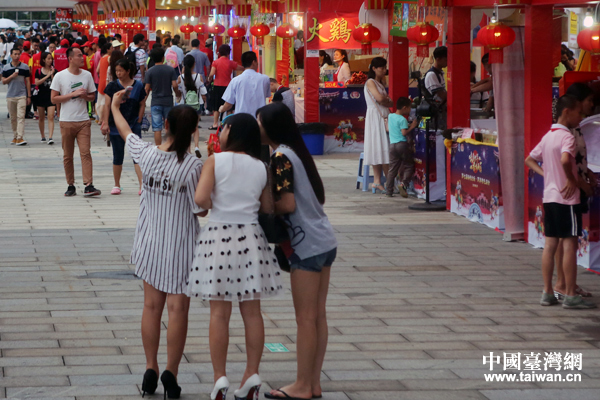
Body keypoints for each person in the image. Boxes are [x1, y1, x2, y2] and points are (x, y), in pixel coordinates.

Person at [110, 91, 205, 400]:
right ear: (193, 131)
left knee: (151, 307)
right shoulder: (193, 167)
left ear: (165, 124)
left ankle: (150, 367)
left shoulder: (147, 154)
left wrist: (113, 105)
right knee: (178, 310)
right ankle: (171, 373)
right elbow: (200, 208)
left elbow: (125, 132)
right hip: (181, 246)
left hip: (150, 242)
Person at [187, 112, 283, 400]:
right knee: (252, 313)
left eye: (223, 127)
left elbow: (201, 199)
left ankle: (219, 378)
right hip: (251, 239)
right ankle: (251, 373)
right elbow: (267, 206)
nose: (220, 131)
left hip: (219, 237)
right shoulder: (260, 166)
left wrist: (220, 198)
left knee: (219, 313)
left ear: (231, 131)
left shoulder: (216, 160)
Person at [257, 103, 337, 400]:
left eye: (259, 122)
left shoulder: (280, 157)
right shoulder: (296, 152)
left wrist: (264, 206)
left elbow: (287, 204)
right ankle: (313, 383)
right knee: (317, 315)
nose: (257, 127)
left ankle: (302, 385)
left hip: (306, 246)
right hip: (324, 240)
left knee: (305, 318)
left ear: (271, 127)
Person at [525, 95, 596, 309]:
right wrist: (575, 181)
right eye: (578, 113)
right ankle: (571, 295)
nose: (580, 118)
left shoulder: (548, 136)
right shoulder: (567, 137)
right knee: (569, 245)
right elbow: (566, 159)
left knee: (550, 244)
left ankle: (548, 292)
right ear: (567, 112)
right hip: (568, 199)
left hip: (550, 197)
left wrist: (545, 173)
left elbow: (529, 159)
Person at [553, 83, 597, 301]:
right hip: (570, 190)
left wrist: (587, 171)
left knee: (565, 238)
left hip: (574, 186)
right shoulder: (567, 129)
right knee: (566, 239)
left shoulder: (576, 127)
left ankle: (567, 283)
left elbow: (576, 160)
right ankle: (563, 284)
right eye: (588, 101)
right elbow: (567, 163)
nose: (591, 105)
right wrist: (581, 183)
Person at [50, 47, 100, 197]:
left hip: (83, 120)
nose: (82, 57)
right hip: (66, 121)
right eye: (79, 56)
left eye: (82, 55)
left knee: (85, 153)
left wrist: (84, 97)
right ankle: (70, 184)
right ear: (70, 58)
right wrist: (73, 94)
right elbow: (53, 98)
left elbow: (92, 96)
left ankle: (88, 184)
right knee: (68, 155)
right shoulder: (60, 76)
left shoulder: (87, 75)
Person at [101, 58, 146, 195]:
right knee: (117, 154)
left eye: (121, 71)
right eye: (116, 71)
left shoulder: (138, 86)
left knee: (137, 155)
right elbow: (107, 105)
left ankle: (141, 185)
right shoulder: (112, 86)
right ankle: (117, 184)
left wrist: (139, 118)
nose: (118, 73)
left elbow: (142, 102)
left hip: (133, 124)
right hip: (116, 125)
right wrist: (105, 122)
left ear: (128, 71)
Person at [363, 57, 392, 193]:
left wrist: (386, 101)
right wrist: (386, 100)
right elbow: (380, 99)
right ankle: (383, 181)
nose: (384, 70)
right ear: (374, 68)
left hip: (382, 115)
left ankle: (378, 181)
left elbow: (389, 102)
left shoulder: (381, 82)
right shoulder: (370, 82)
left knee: (382, 145)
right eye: (381, 67)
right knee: (379, 145)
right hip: (376, 116)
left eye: (385, 67)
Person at [145, 47, 180, 145]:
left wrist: (143, 101)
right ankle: (169, 146)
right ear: (163, 58)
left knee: (157, 128)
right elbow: (174, 85)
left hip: (155, 102)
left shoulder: (150, 71)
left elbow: (147, 89)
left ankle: (158, 148)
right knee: (169, 126)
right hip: (168, 101)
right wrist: (178, 94)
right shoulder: (170, 70)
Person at [219, 51, 270, 118]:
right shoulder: (265, 79)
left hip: (241, 119)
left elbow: (228, 104)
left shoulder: (235, 80)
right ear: (253, 62)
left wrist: (222, 108)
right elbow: (265, 95)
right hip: (259, 119)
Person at [385, 97, 417, 198]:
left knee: (392, 169)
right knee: (409, 165)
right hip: (402, 145)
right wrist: (412, 126)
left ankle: (389, 191)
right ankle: (404, 184)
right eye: (409, 108)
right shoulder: (403, 119)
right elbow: (404, 133)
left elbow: (388, 129)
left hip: (392, 145)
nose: (410, 110)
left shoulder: (390, 116)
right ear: (404, 108)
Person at [177, 54, 207, 157]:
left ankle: (189, 150)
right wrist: (205, 102)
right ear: (194, 64)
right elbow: (203, 93)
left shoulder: (180, 78)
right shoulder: (199, 77)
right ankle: (197, 146)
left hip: (185, 105)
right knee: (195, 127)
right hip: (197, 105)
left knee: (186, 128)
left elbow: (179, 93)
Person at [207, 44, 242, 130]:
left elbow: (212, 74)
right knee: (229, 106)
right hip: (228, 87)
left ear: (219, 53)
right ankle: (229, 124)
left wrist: (209, 78)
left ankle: (215, 124)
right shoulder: (231, 63)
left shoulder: (216, 62)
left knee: (216, 107)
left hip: (217, 86)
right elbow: (241, 68)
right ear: (228, 53)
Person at [2, 47, 31, 145]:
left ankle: (20, 137)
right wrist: (12, 76)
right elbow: (4, 81)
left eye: (18, 54)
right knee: (13, 118)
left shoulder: (25, 67)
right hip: (10, 95)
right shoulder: (6, 67)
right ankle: (15, 136)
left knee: (21, 116)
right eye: (15, 54)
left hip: (22, 95)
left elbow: (27, 81)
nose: (17, 56)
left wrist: (29, 96)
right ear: (11, 55)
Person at [33, 51, 56, 144]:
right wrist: (47, 76)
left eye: (51, 59)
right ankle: (43, 136)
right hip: (40, 96)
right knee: (41, 117)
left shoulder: (55, 71)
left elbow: (56, 83)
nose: (50, 60)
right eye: (48, 58)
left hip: (51, 97)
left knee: (50, 116)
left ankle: (50, 137)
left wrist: (52, 74)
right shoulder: (38, 71)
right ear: (43, 60)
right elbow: (37, 83)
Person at [424, 46, 448, 128]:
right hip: (436, 114)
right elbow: (441, 95)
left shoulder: (439, 73)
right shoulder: (432, 75)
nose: (447, 62)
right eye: (446, 60)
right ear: (438, 59)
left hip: (441, 112)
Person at [96, 42, 112, 123]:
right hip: (106, 81)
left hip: (101, 81)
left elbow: (97, 70)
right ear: (108, 50)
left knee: (100, 100)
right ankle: (101, 119)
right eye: (112, 48)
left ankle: (99, 118)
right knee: (103, 102)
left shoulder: (102, 58)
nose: (112, 49)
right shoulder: (109, 58)